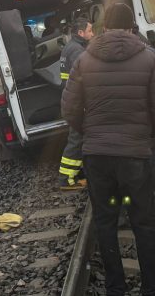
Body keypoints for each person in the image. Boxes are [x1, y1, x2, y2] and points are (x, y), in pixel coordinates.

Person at [61, 3, 155, 296]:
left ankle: (116, 286)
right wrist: (148, 133)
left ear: (104, 27)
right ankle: (153, 287)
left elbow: (69, 109)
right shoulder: (149, 59)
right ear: (130, 26)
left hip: (97, 156)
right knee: (144, 221)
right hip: (135, 154)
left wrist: (89, 132)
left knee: (106, 220)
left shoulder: (84, 60)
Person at [56, 17, 94, 190]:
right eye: (90, 31)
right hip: (78, 102)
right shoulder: (77, 51)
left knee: (78, 138)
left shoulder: (70, 47)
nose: (92, 34)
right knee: (76, 139)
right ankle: (66, 179)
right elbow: (86, 77)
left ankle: (77, 174)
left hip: (72, 100)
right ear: (81, 33)